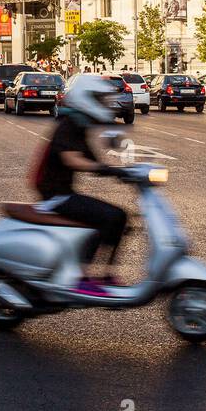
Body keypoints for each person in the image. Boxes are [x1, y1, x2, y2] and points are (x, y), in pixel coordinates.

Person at [32, 74, 128, 296]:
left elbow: (92, 159)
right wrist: (105, 169)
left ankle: (106, 274)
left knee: (119, 217)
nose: (103, 103)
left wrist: (124, 171)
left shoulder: (78, 123)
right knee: (109, 217)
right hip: (55, 196)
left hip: (63, 192)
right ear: (86, 98)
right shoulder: (69, 124)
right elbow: (72, 159)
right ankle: (81, 278)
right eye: (99, 98)